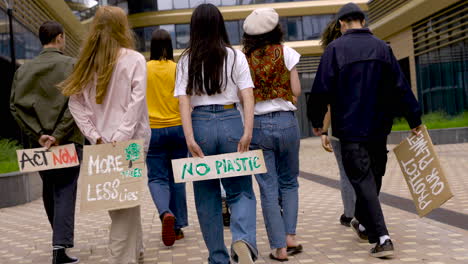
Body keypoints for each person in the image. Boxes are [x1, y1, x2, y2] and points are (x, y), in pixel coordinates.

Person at [307, 3, 422, 258]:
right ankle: (362, 222)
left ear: (341, 24)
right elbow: (401, 86)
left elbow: (320, 90)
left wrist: (317, 122)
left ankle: (382, 236)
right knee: (372, 177)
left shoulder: (334, 50)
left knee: (364, 180)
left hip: (350, 130)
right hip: (379, 128)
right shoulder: (383, 48)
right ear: (363, 20)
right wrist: (415, 119)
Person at [59, 6, 150, 264]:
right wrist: (121, 136)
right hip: (132, 144)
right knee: (124, 204)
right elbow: (137, 101)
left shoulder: (87, 62)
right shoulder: (134, 59)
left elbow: (74, 103)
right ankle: (123, 258)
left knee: (121, 201)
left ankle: (137, 250)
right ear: (123, 28)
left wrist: (95, 136)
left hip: (101, 144)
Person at [175, 4, 257, 264]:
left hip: (200, 125)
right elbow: (247, 95)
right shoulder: (236, 56)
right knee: (240, 189)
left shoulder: (186, 59)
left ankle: (217, 258)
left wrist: (189, 138)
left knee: (206, 195)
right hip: (231, 119)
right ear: (221, 25)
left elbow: (184, 101)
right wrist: (247, 131)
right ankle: (243, 239)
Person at [10, 21, 83, 264]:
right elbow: (76, 104)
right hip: (68, 141)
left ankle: (58, 241)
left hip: (37, 145)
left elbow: (15, 106)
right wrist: (58, 134)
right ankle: (60, 247)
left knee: (50, 188)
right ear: (60, 38)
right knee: (65, 189)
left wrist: (39, 134)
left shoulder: (23, 70)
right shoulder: (72, 65)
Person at [242, 8, 302, 262]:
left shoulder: (243, 60)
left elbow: (241, 98)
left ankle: (279, 248)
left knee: (268, 187)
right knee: (289, 182)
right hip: (287, 123)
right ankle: (290, 236)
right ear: (276, 29)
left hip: (257, 126)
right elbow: (296, 90)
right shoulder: (286, 53)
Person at [146, 28, 188, 247]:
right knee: (177, 177)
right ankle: (178, 227)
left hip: (153, 130)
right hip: (178, 128)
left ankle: (165, 213)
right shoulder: (178, 68)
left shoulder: (144, 69)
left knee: (157, 178)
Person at [319, 20, 356, 227]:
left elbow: (330, 102)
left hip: (341, 126)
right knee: (366, 172)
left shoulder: (331, 57)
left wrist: (324, 130)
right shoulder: (363, 51)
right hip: (368, 122)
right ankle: (368, 213)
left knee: (346, 172)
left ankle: (349, 213)